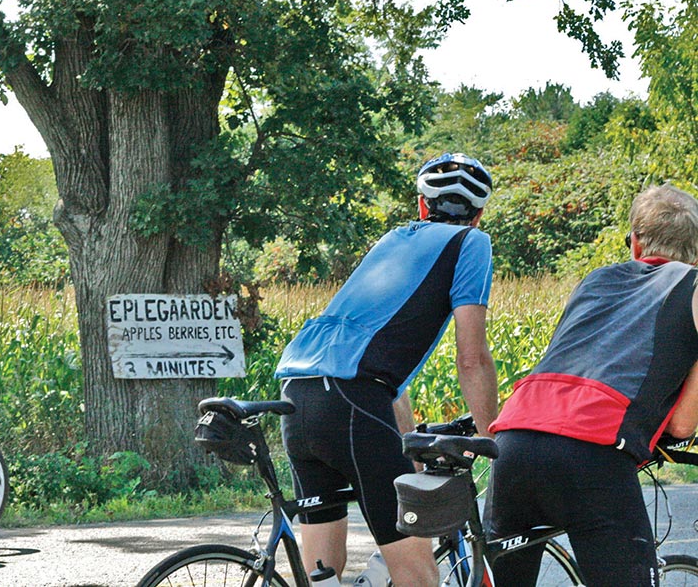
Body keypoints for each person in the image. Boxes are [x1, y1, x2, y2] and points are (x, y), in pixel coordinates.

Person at [274, 153, 499, 586]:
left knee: (323, 573)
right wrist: (494, 437)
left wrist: (405, 447)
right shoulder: (472, 243)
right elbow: (473, 358)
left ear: (421, 206)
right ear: (479, 216)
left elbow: (386, 375)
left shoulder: (392, 241)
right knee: (417, 573)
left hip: (298, 396)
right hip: (352, 402)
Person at [485, 183, 698, 586]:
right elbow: (684, 425)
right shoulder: (693, 287)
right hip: (592, 455)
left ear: (634, 244)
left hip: (512, 443)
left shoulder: (595, 280)